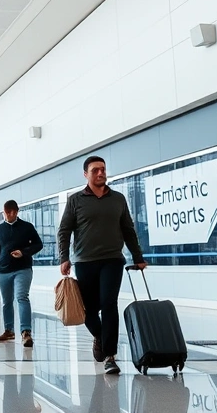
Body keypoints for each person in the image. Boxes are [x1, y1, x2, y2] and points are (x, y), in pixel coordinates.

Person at [58, 156, 146, 375]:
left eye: (103, 169)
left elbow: (128, 229)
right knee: (87, 311)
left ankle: (110, 356)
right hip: (85, 262)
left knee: (108, 304)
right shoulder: (75, 200)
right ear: (85, 174)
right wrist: (64, 257)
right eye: (95, 170)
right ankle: (99, 335)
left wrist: (137, 256)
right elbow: (64, 230)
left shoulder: (118, 199)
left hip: (112, 260)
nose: (100, 173)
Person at [0, 200, 44, 347]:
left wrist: (24, 252)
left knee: (22, 297)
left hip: (23, 269)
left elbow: (38, 244)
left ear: (17, 212)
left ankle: (26, 332)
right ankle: (9, 330)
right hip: (3, 270)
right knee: (6, 301)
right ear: (4, 212)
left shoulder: (27, 227)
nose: (10, 215)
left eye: (13, 212)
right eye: (7, 212)